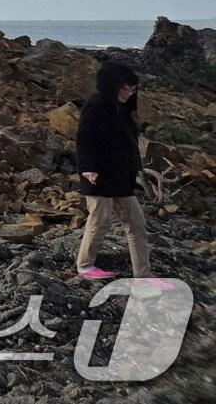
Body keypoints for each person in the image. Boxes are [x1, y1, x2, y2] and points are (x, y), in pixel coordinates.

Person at [74, 61, 167, 287]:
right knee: (100, 221)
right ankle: (85, 266)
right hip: (97, 178)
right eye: (124, 88)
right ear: (111, 85)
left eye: (132, 89)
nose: (129, 92)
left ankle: (143, 275)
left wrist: (135, 170)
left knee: (136, 224)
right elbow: (84, 139)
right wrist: (88, 168)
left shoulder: (123, 110)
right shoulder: (96, 105)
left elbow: (128, 145)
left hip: (121, 179)